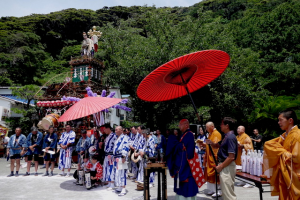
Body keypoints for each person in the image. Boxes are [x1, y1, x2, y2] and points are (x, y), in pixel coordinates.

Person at [263, 109, 300, 200]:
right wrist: (283, 152)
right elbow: (268, 144)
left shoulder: (297, 135)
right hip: (285, 174)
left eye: (280, 120)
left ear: (290, 120)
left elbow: (296, 157)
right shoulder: (285, 135)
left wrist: (283, 153)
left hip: (294, 176)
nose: (278, 122)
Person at [166, 119, 199, 199]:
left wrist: (178, 146)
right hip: (180, 163)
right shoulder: (184, 134)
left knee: (187, 185)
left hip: (185, 165)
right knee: (180, 186)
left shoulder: (189, 134)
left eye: (180, 125)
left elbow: (189, 152)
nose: (179, 126)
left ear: (186, 125)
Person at [206, 117, 238, 200]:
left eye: (222, 124)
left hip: (226, 166)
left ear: (227, 126)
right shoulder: (226, 136)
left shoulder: (230, 137)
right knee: (225, 192)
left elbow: (231, 157)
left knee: (228, 194)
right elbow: (219, 145)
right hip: (225, 166)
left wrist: (221, 166)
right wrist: (212, 143)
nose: (220, 126)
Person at [200, 122, 222, 197]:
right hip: (209, 156)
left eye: (207, 127)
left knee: (215, 173)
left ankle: (219, 190)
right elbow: (209, 144)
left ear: (212, 126)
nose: (206, 129)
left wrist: (215, 157)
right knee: (209, 173)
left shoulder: (216, 134)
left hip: (213, 157)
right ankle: (212, 189)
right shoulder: (210, 134)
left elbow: (216, 146)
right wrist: (203, 145)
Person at [112, 126, 130, 196]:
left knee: (122, 173)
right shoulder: (118, 138)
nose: (115, 131)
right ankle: (119, 186)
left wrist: (123, 156)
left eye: (116, 130)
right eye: (115, 130)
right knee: (117, 173)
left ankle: (123, 189)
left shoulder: (124, 137)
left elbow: (126, 147)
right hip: (117, 157)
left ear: (121, 130)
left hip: (121, 157)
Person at [102, 123, 118, 190]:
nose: (104, 130)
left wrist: (114, 155)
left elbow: (116, 146)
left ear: (108, 128)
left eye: (105, 129)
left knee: (111, 169)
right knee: (107, 169)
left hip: (111, 155)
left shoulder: (114, 136)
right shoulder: (107, 136)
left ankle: (112, 183)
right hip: (106, 155)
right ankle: (109, 182)